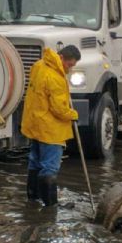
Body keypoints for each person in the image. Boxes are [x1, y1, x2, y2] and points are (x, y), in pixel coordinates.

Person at [21, 45, 81, 206]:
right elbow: (59, 109)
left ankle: (33, 199)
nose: (70, 69)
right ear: (61, 58)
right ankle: (50, 206)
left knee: (35, 162)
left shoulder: (39, 65)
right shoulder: (55, 77)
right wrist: (73, 114)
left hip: (36, 124)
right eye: (69, 65)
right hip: (51, 129)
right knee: (50, 167)